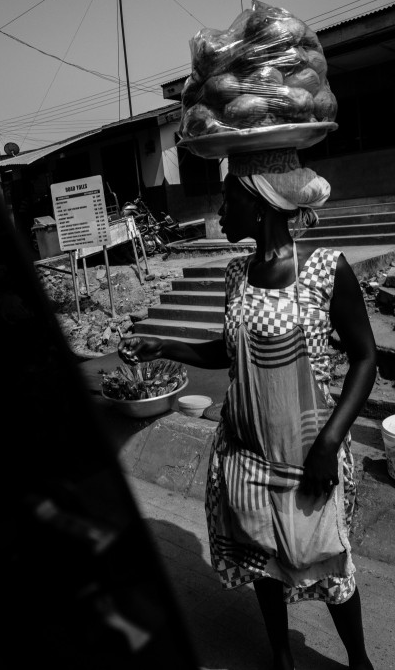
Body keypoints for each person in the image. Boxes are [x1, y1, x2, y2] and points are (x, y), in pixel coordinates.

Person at [117, 162, 377, 670]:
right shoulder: (237, 274)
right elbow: (231, 351)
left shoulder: (325, 267)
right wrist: (162, 344)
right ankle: (280, 656)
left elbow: (366, 357)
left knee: (328, 560)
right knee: (260, 558)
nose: (219, 210)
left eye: (226, 200)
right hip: (245, 452)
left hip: (310, 453)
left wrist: (329, 442)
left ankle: (360, 662)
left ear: (258, 207)